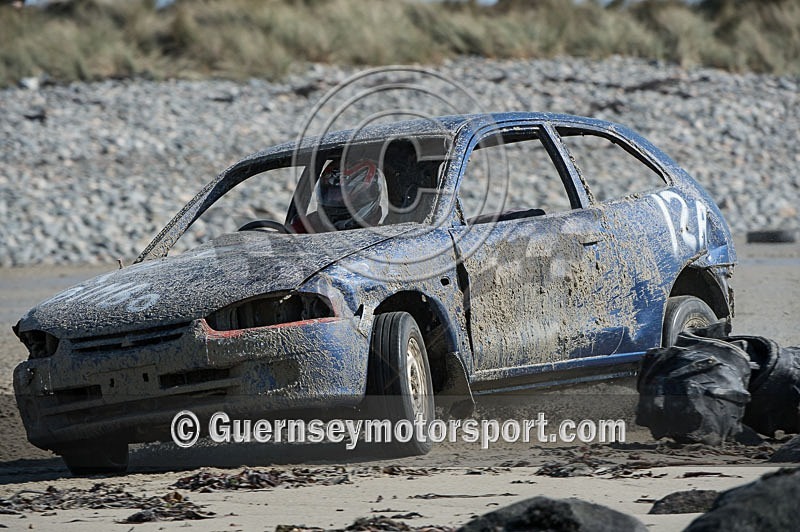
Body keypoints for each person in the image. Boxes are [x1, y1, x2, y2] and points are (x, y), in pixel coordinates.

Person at [290, 158, 384, 233]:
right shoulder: (306, 226)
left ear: (364, 197)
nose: (334, 200)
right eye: (330, 194)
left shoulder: (383, 239)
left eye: (341, 195)